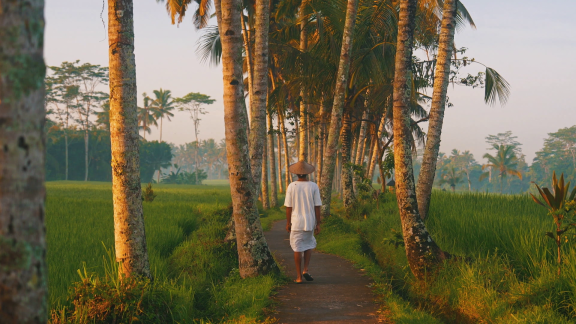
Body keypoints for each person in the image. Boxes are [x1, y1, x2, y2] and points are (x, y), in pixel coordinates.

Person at [284, 160, 322, 283]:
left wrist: (288, 223)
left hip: (296, 222)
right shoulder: (313, 186)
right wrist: (318, 223)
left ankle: (299, 277)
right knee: (308, 245)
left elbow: (288, 207)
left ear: (296, 174)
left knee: (297, 248)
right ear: (307, 173)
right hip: (310, 221)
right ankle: (305, 269)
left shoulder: (291, 186)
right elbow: (317, 206)